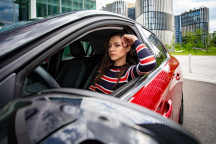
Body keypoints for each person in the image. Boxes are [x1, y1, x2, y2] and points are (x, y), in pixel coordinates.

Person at [89, 32, 157, 94]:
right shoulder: (103, 68)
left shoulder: (128, 72)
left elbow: (149, 63)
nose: (111, 49)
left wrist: (134, 39)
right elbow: (92, 89)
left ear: (127, 48)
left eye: (117, 45)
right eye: (109, 46)